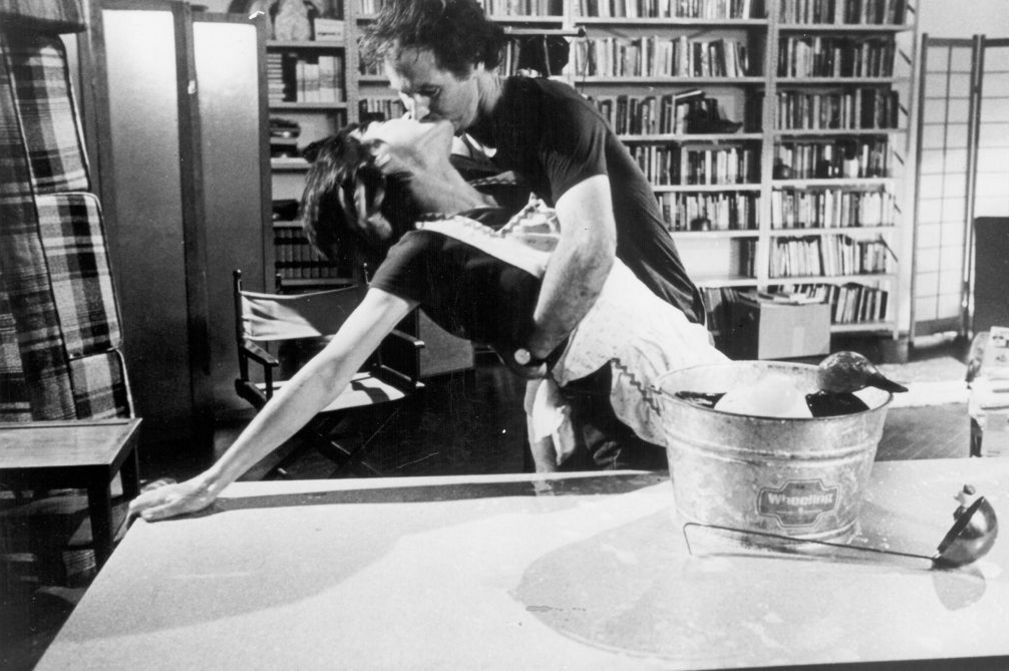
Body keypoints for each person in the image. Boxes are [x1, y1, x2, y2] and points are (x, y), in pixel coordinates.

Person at [128, 121, 725, 522]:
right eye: (376, 128)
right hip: (639, 395)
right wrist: (211, 481)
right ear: (370, 188)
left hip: (685, 362)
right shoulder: (422, 252)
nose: (401, 114)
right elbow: (330, 368)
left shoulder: (491, 188)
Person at [359, 0, 707, 469]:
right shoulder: (456, 140)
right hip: (572, 328)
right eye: (403, 95)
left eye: (430, 91)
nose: (417, 110)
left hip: (642, 329)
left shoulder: (555, 111)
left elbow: (589, 248)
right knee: (551, 490)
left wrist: (533, 350)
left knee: (626, 499)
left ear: (479, 63)